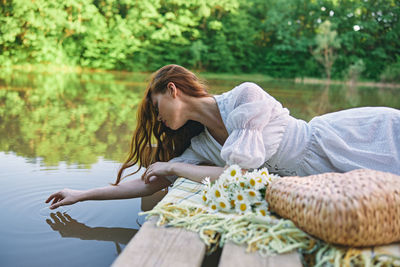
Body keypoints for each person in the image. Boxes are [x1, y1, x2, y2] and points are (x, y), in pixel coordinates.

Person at [46, 64, 400, 210]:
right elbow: (147, 183)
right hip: (315, 184)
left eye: (156, 109)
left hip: (339, 142)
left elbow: (242, 172)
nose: (157, 119)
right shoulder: (199, 146)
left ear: (172, 91)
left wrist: (173, 168)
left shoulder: (245, 97)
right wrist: (82, 194)